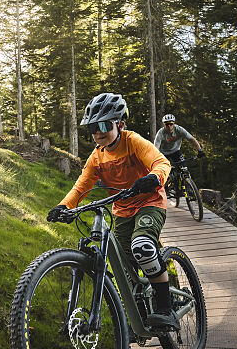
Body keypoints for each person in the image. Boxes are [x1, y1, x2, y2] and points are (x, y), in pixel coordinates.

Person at [46, 92, 179, 333]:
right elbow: (81, 187)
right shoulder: (97, 157)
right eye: (92, 128)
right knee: (123, 268)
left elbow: (162, 163)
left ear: (120, 124)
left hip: (149, 202)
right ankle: (139, 318)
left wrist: (153, 178)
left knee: (142, 246)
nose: (98, 132)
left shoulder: (133, 142)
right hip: (122, 211)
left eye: (104, 125)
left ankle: (165, 308)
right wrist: (64, 206)